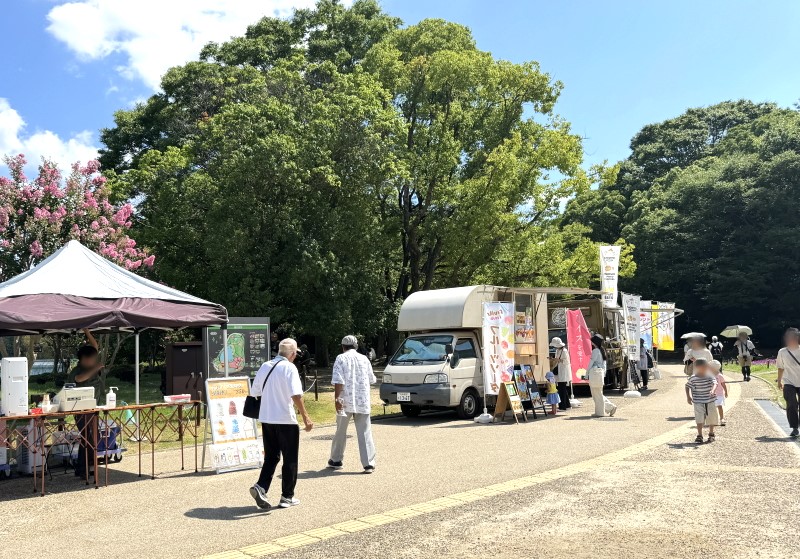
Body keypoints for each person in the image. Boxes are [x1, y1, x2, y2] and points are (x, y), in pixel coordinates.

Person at [249, 338, 313, 510]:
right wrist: (306, 417)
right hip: (285, 418)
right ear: (292, 354)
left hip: (267, 418)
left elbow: (255, 391)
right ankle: (287, 496)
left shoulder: (265, 366)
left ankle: (261, 487)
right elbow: (296, 395)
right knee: (290, 458)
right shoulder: (289, 368)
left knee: (271, 456)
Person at [328, 335, 377, 473]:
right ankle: (368, 463)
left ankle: (336, 460)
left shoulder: (341, 358)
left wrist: (337, 398)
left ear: (343, 346)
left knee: (340, 431)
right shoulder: (364, 359)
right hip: (362, 400)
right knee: (365, 431)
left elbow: (338, 379)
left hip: (345, 400)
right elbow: (371, 379)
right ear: (356, 346)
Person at [67, 329, 104, 478]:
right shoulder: (78, 370)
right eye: (90, 359)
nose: (93, 361)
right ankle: (83, 469)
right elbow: (80, 379)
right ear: (83, 359)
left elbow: (94, 345)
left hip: (94, 408)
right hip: (80, 409)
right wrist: (95, 368)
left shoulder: (91, 362)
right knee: (87, 438)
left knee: (93, 437)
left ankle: (84, 467)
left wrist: (86, 330)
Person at [685, 358, 719, 443]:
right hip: (698, 401)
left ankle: (711, 433)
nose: (704, 369)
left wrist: (713, 390)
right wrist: (688, 397)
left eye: (705, 367)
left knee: (711, 417)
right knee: (699, 418)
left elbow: (715, 383)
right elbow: (687, 386)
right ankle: (699, 435)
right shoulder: (693, 378)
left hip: (710, 400)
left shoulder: (709, 375)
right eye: (702, 367)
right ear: (697, 367)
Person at [776, 327, 800, 438]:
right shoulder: (782, 352)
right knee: (791, 404)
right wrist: (779, 381)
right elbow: (780, 368)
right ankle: (795, 427)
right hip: (788, 382)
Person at [588, 334, 617, 417]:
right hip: (599, 373)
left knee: (596, 394)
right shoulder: (602, 350)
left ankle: (601, 412)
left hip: (594, 373)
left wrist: (586, 373)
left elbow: (591, 363)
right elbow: (604, 364)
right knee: (598, 393)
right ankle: (610, 407)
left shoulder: (595, 351)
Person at [549, 337, 571, 411]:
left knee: (562, 389)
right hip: (560, 371)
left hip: (563, 372)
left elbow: (567, 361)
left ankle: (563, 406)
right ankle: (567, 405)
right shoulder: (558, 350)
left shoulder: (564, 351)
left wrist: (557, 360)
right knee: (562, 389)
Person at [710, 359, 728, 426]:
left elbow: (723, 384)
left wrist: (726, 392)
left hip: (719, 394)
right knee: (712, 408)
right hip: (712, 394)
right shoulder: (709, 375)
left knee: (719, 406)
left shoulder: (720, 376)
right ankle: (713, 419)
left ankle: (722, 418)